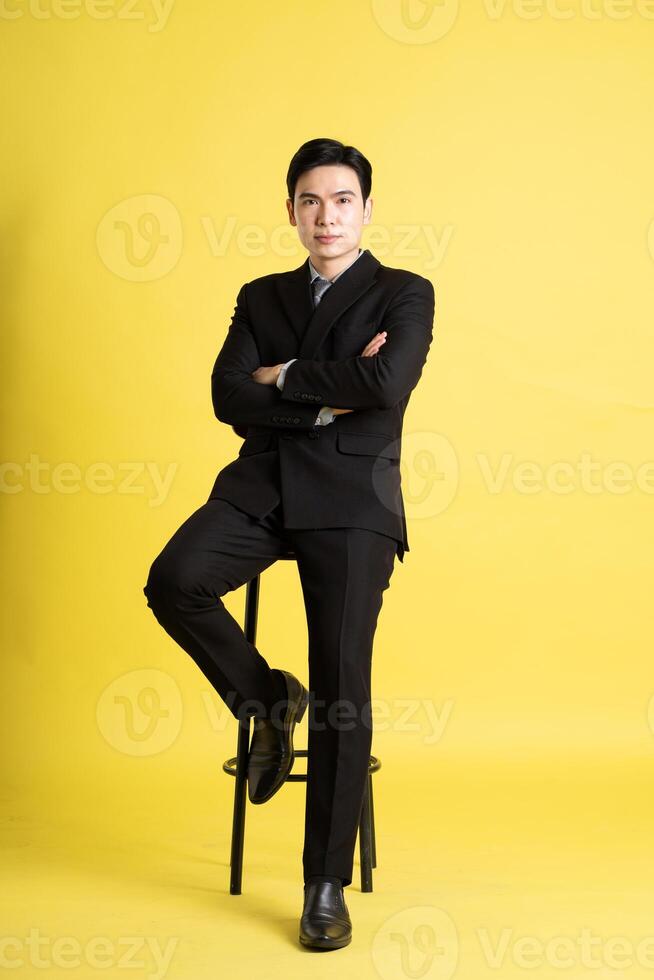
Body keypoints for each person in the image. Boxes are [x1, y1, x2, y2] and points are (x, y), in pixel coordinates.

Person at [143, 137, 435, 951]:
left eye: (342, 200)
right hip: (262, 489)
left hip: (352, 499)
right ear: (291, 212)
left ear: (367, 210)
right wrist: (316, 390)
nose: (326, 216)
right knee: (175, 581)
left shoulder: (406, 292)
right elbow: (224, 394)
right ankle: (267, 697)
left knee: (343, 680)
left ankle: (324, 882)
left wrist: (283, 374)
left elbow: (385, 386)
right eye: (311, 201)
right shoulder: (261, 293)